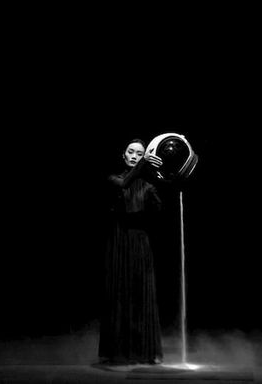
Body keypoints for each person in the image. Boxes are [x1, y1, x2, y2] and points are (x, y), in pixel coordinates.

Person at [98, 138, 165, 365]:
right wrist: (144, 163)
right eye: (131, 152)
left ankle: (145, 351)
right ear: (123, 155)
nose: (135, 156)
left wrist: (156, 175)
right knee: (119, 294)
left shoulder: (148, 186)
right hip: (118, 242)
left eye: (140, 153)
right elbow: (124, 184)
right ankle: (117, 351)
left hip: (140, 244)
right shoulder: (114, 179)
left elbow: (159, 211)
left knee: (141, 295)